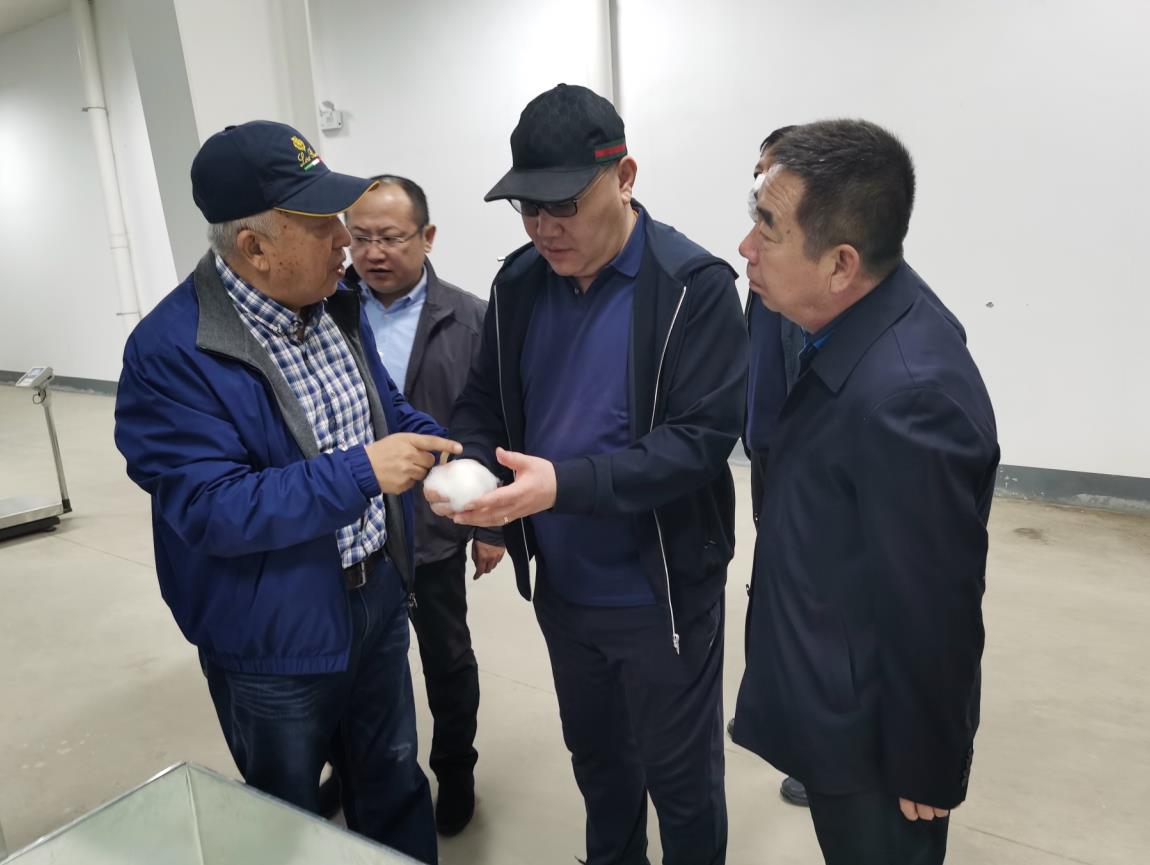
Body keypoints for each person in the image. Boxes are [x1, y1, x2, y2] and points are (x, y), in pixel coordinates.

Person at [113, 120, 457, 864]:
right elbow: (212, 507)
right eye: (322, 224)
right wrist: (362, 472)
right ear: (255, 248)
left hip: (375, 597)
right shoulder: (171, 353)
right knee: (285, 817)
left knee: (393, 780)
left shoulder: (335, 304)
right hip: (271, 634)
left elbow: (382, 408)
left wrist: (449, 451)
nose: (346, 240)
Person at [430, 83, 748, 865]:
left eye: (564, 205)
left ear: (625, 176)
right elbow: (482, 402)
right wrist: (471, 462)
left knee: (681, 782)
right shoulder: (518, 283)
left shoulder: (692, 287)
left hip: (661, 593)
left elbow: (699, 441)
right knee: (600, 765)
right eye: (527, 208)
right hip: (566, 591)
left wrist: (562, 486)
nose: (545, 227)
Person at [731, 119, 999, 865]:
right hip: (832, 699)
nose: (747, 247)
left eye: (768, 228)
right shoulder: (850, 327)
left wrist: (927, 761)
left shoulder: (908, 397)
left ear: (841, 264)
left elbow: (937, 605)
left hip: (875, 753)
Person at [342, 175, 504, 835]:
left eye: (390, 237)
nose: (373, 252)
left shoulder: (470, 318)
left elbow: (494, 421)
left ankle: (455, 768)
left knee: (447, 657)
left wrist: (494, 523)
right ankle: (352, 768)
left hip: (435, 526)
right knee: (350, 659)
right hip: (350, 523)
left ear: (427, 236)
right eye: (360, 238)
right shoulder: (325, 310)